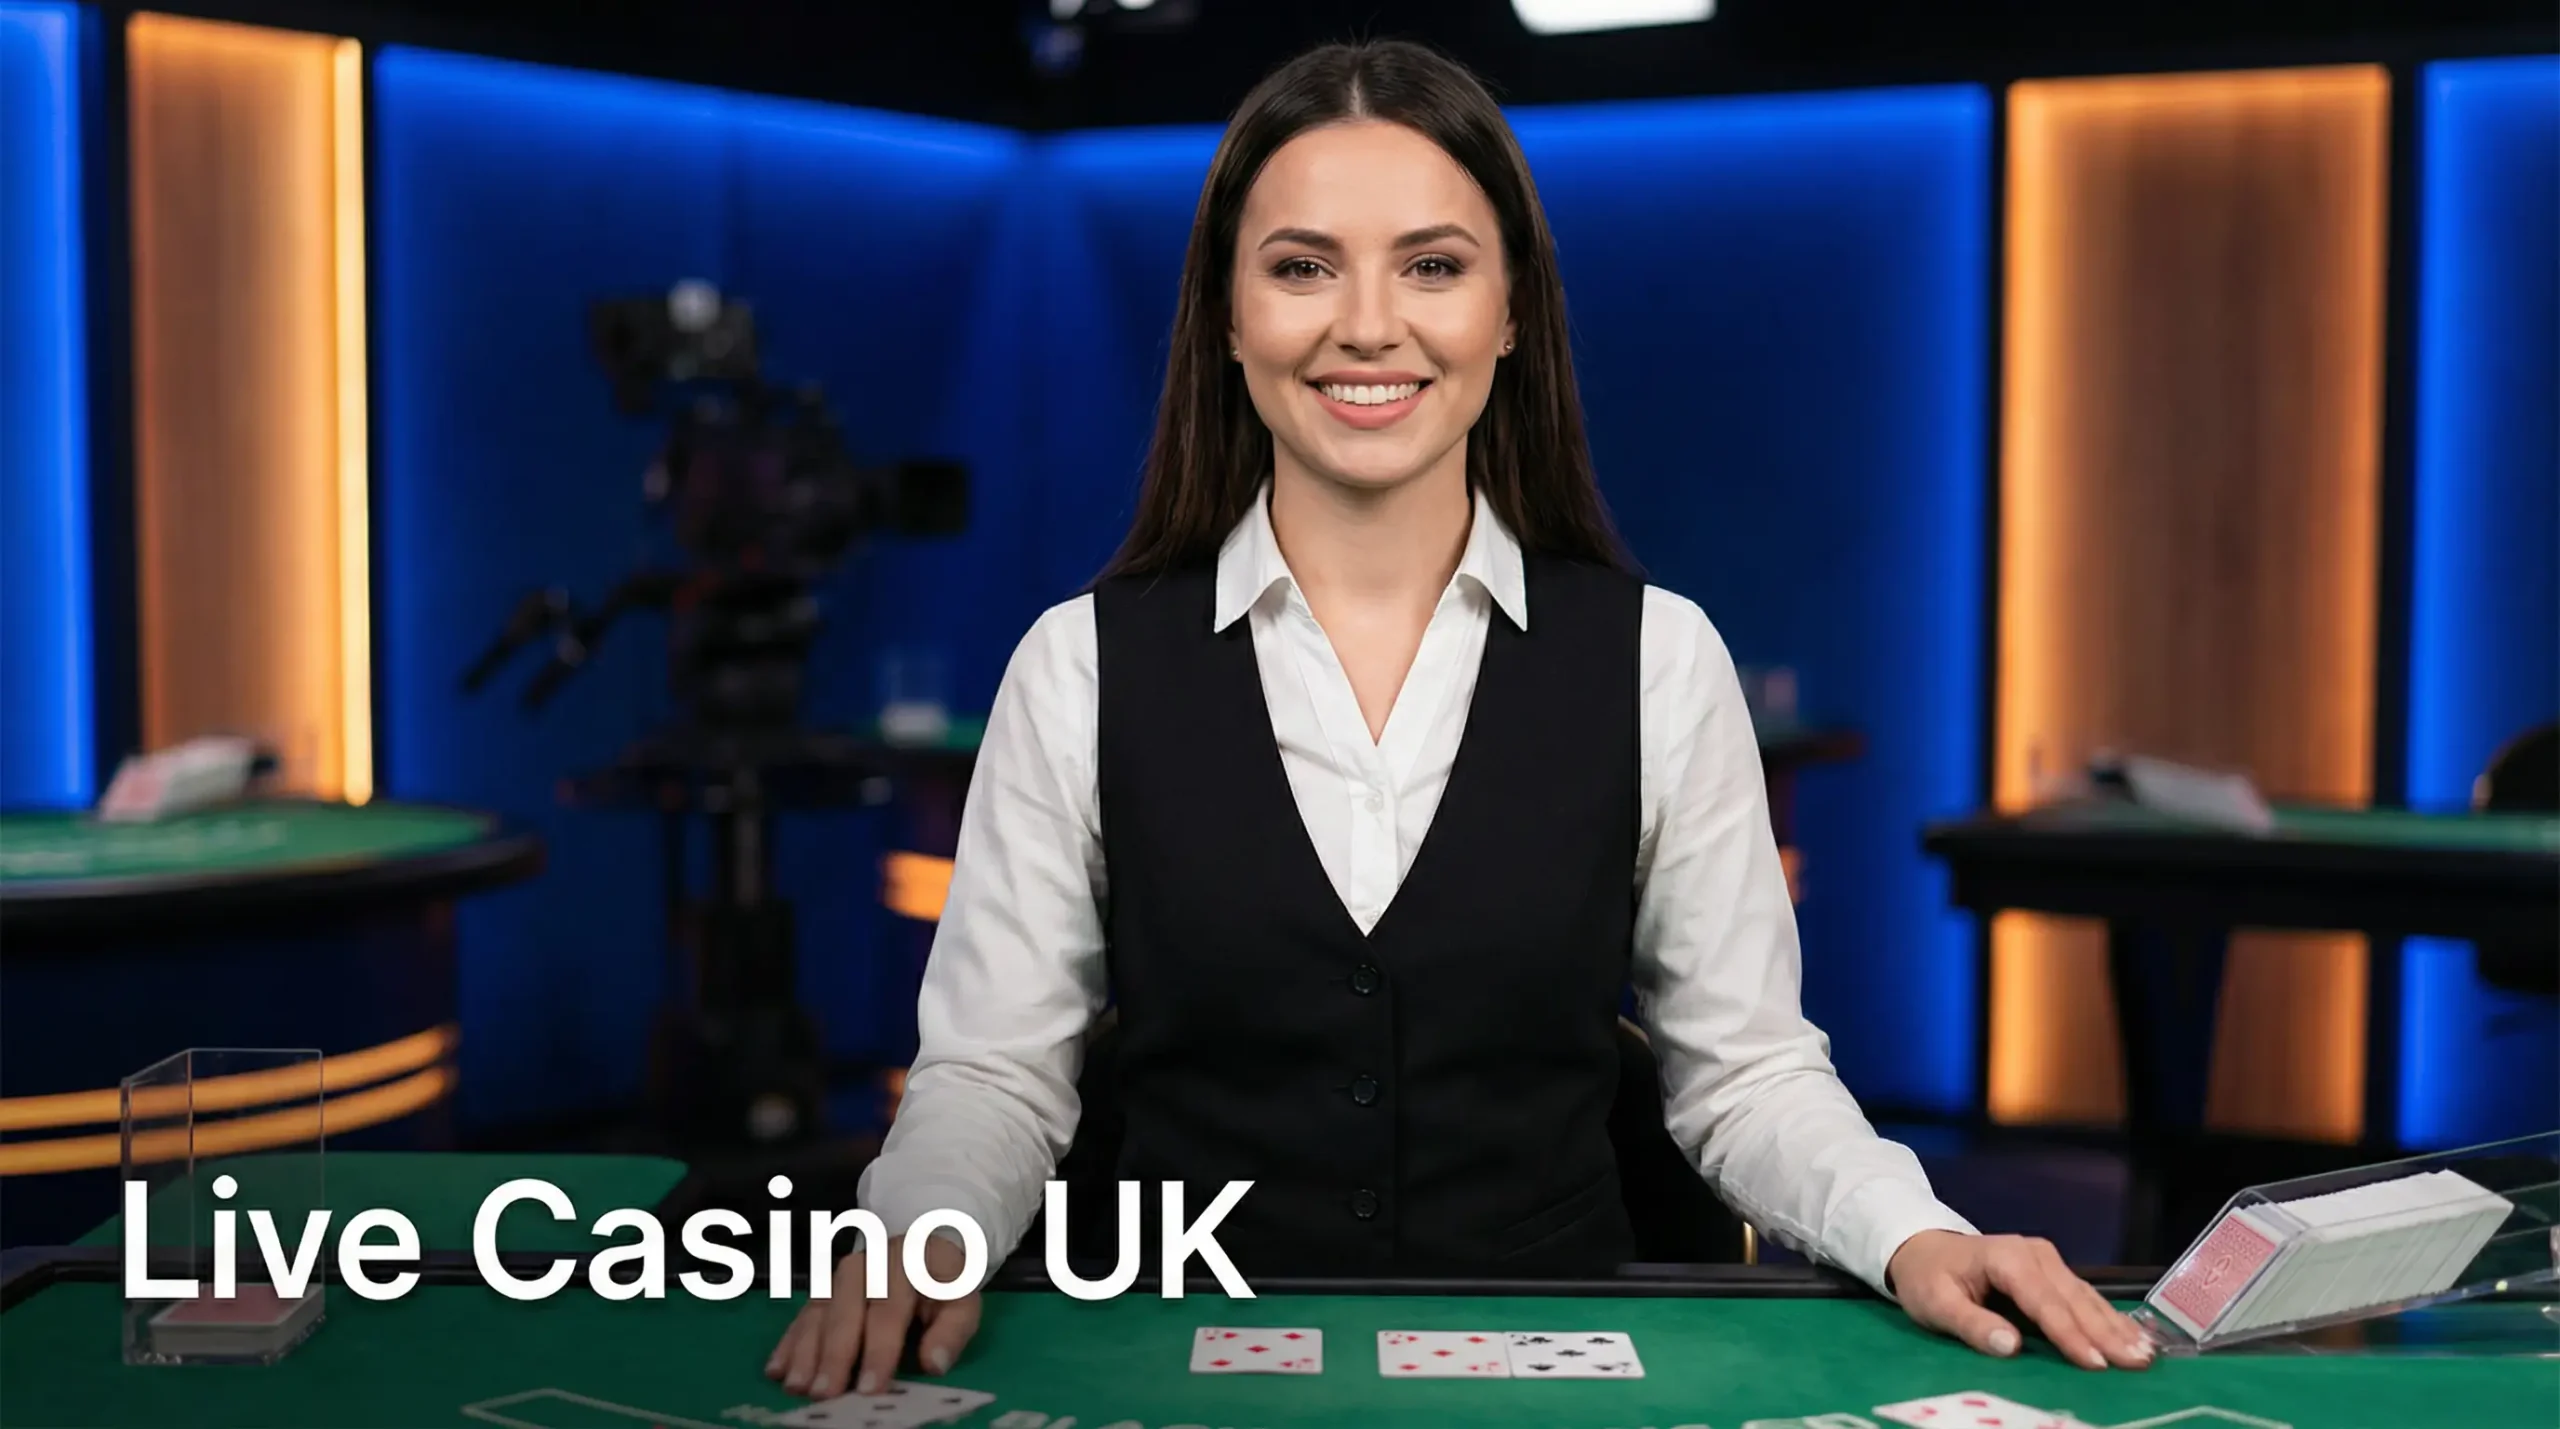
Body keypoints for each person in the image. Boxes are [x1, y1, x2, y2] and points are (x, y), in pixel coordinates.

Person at [767, 37, 2154, 1402]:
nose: (1368, 324)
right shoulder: (1077, 666)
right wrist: (911, 1237)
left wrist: (1916, 1232)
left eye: (1433, 266)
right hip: (1172, 1365)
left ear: (1508, 312)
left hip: (1558, 1373)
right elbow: (998, 1075)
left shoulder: (1660, 659)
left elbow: (1747, 1077)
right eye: (1302, 267)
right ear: (1229, 316)